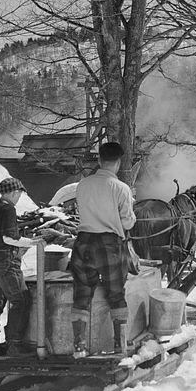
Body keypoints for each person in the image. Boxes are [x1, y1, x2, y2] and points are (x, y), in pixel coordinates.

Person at [66, 141, 137, 357]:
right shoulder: (121, 188)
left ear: (99, 160)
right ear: (118, 162)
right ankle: (119, 344)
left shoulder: (83, 185)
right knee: (115, 294)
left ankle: (79, 346)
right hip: (109, 245)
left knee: (81, 294)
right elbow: (127, 223)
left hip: (84, 242)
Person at [0, 176, 35, 356]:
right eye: (19, 193)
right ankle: (15, 344)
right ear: (13, 193)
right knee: (20, 299)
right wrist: (32, 243)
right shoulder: (8, 210)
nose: (20, 197)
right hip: (5, 258)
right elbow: (9, 238)